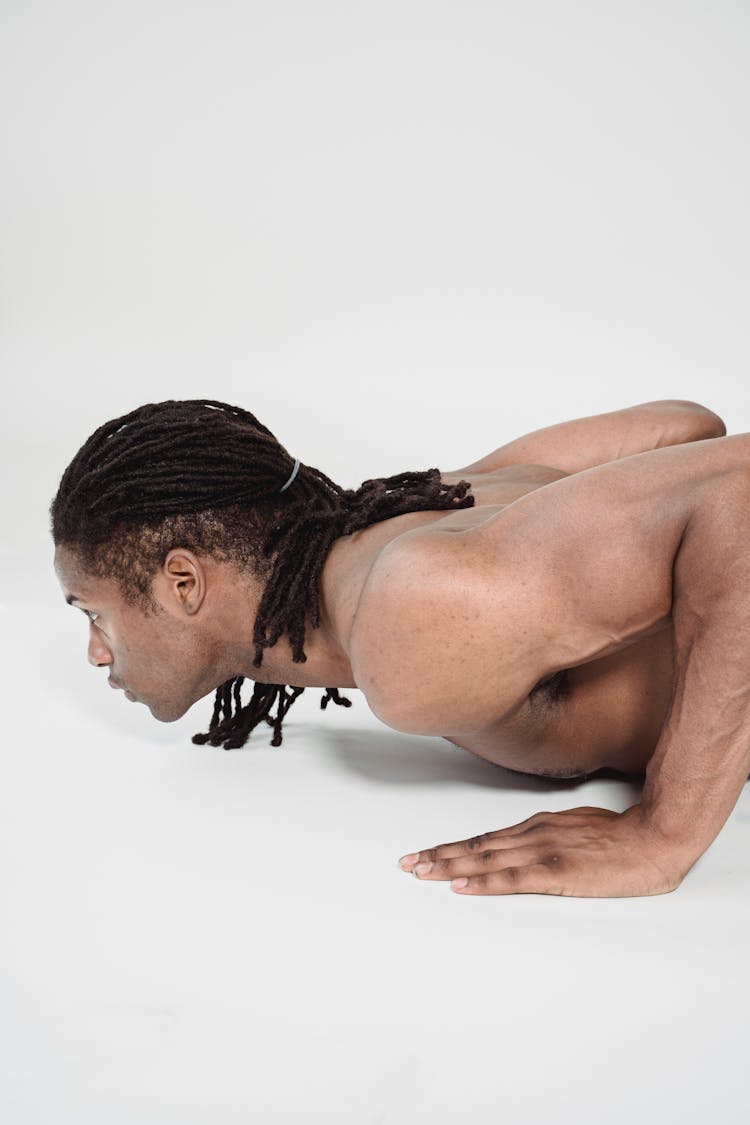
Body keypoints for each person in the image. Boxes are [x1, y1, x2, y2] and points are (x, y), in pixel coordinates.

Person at [51, 397, 749, 900]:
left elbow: (734, 498)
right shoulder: (425, 516)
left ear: (183, 582)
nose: (94, 653)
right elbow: (691, 429)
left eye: (94, 615)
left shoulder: (404, 620)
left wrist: (666, 830)